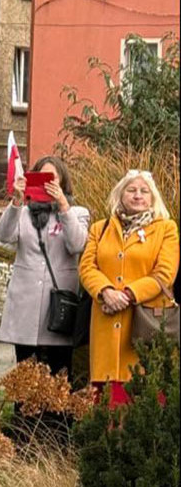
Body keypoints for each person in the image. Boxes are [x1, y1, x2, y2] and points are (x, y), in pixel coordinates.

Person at [79, 170, 179, 407]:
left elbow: (164, 274)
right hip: (105, 326)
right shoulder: (99, 228)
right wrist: (105, 291)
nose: (137, 195)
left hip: (145, 328)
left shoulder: (167, 229)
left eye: (144, 191)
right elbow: (86, 267)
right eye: (131, 190)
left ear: (153, 198)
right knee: (106, 407)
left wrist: (127, 295)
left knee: (143, 406)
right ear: (120, 194)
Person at [0, 157, 90, 381]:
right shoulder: (24, 213)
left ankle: (56, 417)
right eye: (41, 177)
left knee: (59, 374)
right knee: (26, 374)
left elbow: (77, 244)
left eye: (53, 178)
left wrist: (63, 207)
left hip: (59, 303)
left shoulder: (77, 213)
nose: (47, 183)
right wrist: (16, 202)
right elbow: (3, 237)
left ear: (63, 182)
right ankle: (25, 417)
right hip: (25, 304)